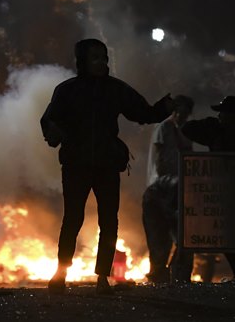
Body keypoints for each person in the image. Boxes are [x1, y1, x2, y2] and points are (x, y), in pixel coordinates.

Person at [41, 39, 174, 294]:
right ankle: (60, 275)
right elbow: (49, 120)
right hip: (76, 164)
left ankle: (102, 278)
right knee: (73, 219)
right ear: (82, 62)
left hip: (106, 164)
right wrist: (54, 133)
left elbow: (143, 113)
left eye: (104, 58)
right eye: (95, 58)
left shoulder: (116, 90)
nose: (101, 63)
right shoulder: (66, 91)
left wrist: (163, 109)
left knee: (109, 222)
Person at [181, 95, 235, 282]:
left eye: (223, 113)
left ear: (234, 115)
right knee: (224, 231)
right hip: (221, 190)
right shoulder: (215, 129)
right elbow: (187, 128)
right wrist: (216, 125)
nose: (219, 116)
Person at [142, 95, 195, 283]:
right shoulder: (164, 127)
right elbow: (160, 159)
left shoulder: (184, 131)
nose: (182, 114)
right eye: (180, 110)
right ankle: (160, 276)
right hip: (160, 189)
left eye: (186, 111)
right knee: (159, 237)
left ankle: (175, 275)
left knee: (183, 236)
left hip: (178, 189)